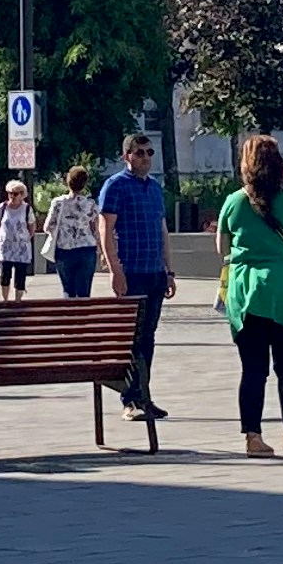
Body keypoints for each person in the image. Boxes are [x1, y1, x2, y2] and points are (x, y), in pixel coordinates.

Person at [216, 136, 283, 459]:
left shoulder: (234, 201)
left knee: (253, 369)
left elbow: (222, 248)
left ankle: (253, 437)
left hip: (247, 293)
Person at [96, 133, 174, 422]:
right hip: (131, 272)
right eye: (139, 152)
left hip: (154, 272)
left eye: (149, 152)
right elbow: (105, 229)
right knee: (132, 338)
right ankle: (130, 400)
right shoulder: (115, 186)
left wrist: (169, 270)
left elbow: (162, 230)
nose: (145, 157)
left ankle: (143, 395)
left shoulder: (155, 188)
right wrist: (115, 270)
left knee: (148, 338)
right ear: (127, 155)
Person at [43, 166, 102, 299]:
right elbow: (96, 228)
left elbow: (47, 227)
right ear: (85, 183)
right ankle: (83, 317)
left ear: (68, 182)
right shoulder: (91, 204)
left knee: (68, 290)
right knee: (84, 291)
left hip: (64, 249)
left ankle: (70, 316)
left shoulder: (58, 203)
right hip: (87, 248)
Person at [0, 179, 38, 299]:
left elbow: (32, 226)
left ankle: (18, 300)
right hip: (6, 247)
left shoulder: (27, 209)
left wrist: (25, 238)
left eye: (15, 193)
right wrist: (1, 237)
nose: (12, 196)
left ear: (22, 195)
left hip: (21, 247)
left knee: (20, 275)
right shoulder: (2, 208)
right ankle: (5, 299)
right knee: (5, 274)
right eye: (10, 193)